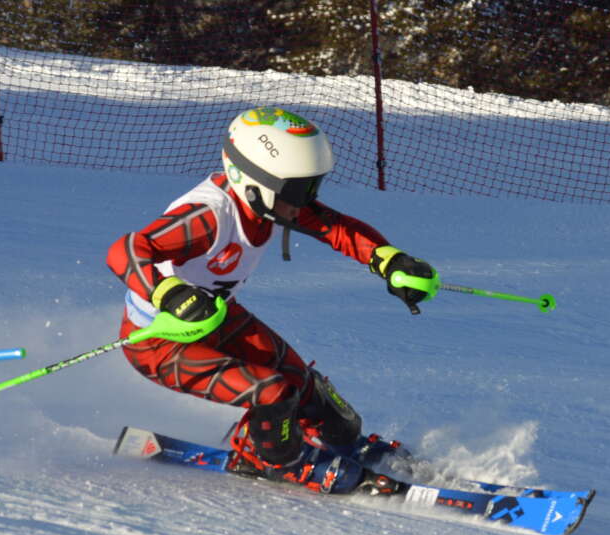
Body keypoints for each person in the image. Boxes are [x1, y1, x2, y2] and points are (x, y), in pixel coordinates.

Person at [106, 106, 435, 493]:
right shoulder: (210, 215)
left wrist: (387, 258)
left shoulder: (270, 203)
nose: (305, 201)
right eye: (297, 189)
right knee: (273, 391)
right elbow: (126, 248)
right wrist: (168, 291)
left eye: (312, 187)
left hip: (215, 320)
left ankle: (346, 445)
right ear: (250, 179)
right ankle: (275, 458)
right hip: (159, 343)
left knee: (312, 392)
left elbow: (336, 227)